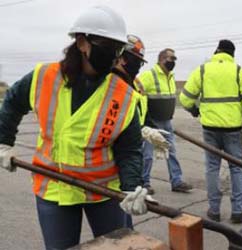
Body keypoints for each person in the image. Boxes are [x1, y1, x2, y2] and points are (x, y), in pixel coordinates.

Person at [0, 6, 151, 249]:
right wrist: (4, 143)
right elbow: (11, 104)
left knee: (121, 246)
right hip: (54, 189)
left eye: (119, 49)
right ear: (82, 42)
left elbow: (130, 149)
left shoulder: (122, 94)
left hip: (104, 192)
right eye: (108, 47)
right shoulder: (43, 76)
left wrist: (132, 188)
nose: (115, 56)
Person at [179, 39, 242, 224]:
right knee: (237, 168)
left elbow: (185, 98)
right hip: (232, 129)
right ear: (232, 54)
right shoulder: (237, 70)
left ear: (216, 51)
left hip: (210, 128)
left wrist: (194, 110)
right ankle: (239, 211)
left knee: (212, 167)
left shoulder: (203, 70)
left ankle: (214, 210)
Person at [138, 48, 192, 194]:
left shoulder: (170, 77)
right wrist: (144, 120)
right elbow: (137, 94)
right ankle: (144, 183)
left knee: (171, 151)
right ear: (161, 59)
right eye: (171, 59)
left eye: (174, 59)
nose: (173, 62)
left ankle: (177, 181)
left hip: (166, 122)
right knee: (147, 155)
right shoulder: (149, 75)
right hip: (151, 122)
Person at [112, 35, 170, 167]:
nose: (138, 66)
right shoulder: (111, 85)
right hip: (116, 156)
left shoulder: (135, 84)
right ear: (121, 58)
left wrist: (151, 130)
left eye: (140, 62)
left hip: (132, 151)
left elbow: (141, 110)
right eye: (135, 60)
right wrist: (140, 130)